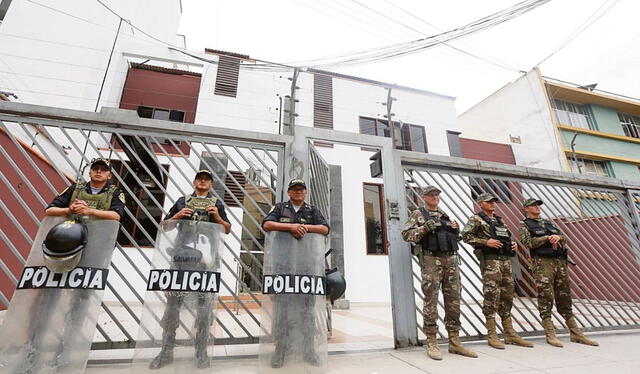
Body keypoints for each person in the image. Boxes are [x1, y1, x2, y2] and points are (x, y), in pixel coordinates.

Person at [149, 169, 231, 369]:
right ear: (194, 181)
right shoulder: (181, 201)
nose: (203, 182)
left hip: (206, 262)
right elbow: (165, 226)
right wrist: (177, 216)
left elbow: (227, 229)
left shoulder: (216, 203)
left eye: (207, 179)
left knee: (204, 309)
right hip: (181, 260)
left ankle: (201, 352)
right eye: (200, 178)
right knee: (172, 306)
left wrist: (218, 218)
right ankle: (166, 351)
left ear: (211, 184)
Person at [402, 186, 477, 360]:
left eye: (437, 194)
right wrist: (424, 229)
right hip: (431, 261)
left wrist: (456, 230)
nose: (435, 197)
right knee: (431, 299)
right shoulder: (417, 214)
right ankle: (432, 341)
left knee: (454, 300)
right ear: (424, 197)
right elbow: (406, 235)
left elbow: (455, 238)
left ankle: (454, 341)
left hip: (450, 260)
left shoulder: (444, 215)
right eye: (431, 195)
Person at [262, 178, 329, 369]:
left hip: (306, 268)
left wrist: (305, 228)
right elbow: (267, 224)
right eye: (295, 189)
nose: (298, 192)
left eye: (301, 189)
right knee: (282, 311)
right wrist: (291, 226)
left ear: (305, 192)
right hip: (283, 268)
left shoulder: (312, 210)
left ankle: (309, 351)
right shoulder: (280, 208)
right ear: (289, 192)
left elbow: (325, 228)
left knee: (307, 311)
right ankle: (280, 351)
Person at [517, 198, 598, 347]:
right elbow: (527, 242)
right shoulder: (524, 225)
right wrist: (547, 238)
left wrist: (558, 237)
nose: (537, 207)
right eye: (533, 205)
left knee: (564, 295)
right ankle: (550, 333)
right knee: (546, 296)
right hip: (542, 263)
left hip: (559, 262)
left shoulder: (549, 223)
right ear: (527, 208)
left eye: (538, 205)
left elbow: (564, 238)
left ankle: (575, 333)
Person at [461, 192, 533, 349]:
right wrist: (486, 242)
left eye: (493, 201)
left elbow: (505, 237)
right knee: (492, 295)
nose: (492, 204)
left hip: (506, 261)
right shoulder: (476, 219)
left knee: (507, 296)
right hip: (490, 262)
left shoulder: (500, 220)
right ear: (481, 204)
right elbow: (465, 236)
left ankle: (509, 333)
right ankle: (492, 335)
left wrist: (512, 244)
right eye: (488, 202)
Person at [45, 158, 124, 220]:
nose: (99, 171)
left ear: (109, 176)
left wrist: (89, 211)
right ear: (90, 173)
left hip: (100, 235)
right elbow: (49, 210)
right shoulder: (75, 188)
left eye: (103, 169)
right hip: (70, 233)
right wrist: (69, 210)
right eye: (95, 168)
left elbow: (116, 215)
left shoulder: (115, 192)